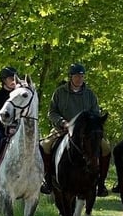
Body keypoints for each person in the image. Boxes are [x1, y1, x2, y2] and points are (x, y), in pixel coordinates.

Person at [40, 62, 112, 196]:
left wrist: (86, 125)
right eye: (77, 76)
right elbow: (52, 112)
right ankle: (47, 180)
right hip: (63, 129)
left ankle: (101, 183)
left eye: (82, 76)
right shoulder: (59, 92)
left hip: (85, 133)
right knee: (45, 145)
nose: (79, 79)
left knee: (106, 148)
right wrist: (63, 122)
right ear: (70, 77)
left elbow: (95, 113)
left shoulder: (90, 95)